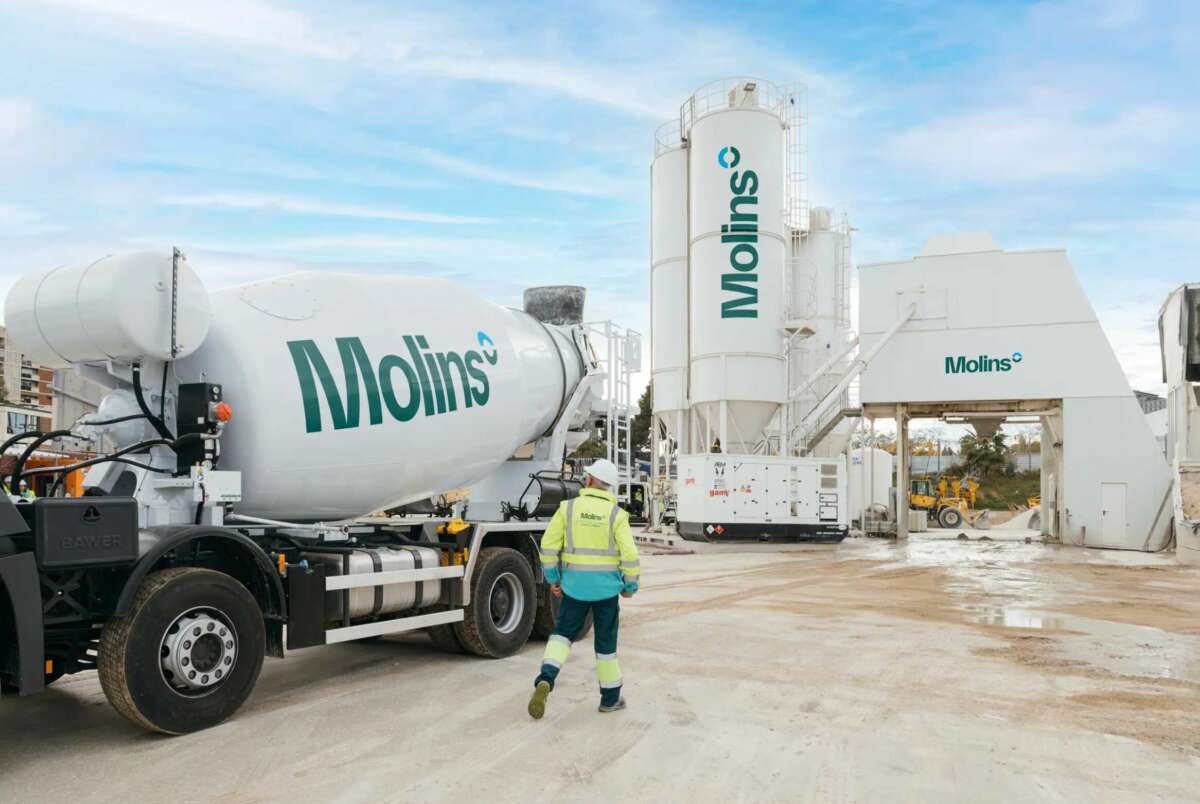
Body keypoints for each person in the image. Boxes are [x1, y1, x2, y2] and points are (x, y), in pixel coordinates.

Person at [528, 458, 640, 718]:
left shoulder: (567, 509)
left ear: (589, 480)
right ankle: (610, 699)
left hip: (574, 588)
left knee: (562, 635)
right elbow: (630, 554)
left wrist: (554, 578)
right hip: (607, 592)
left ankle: (546, 679)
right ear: (609, 486)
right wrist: (630, 585)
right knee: (605, 644)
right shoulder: (617, 515)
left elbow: (548, 546)